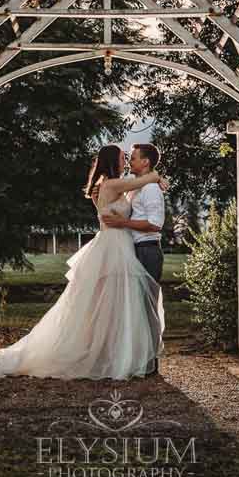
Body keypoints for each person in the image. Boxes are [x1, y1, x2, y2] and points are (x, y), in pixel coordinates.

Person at [0, 144, 168, 381]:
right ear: (114, 162)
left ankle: (118, 354)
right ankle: (113, 356)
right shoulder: (113, 186)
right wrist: (157, 177)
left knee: (116, 305)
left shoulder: (110, 187)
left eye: (130, 158)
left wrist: (154, 181)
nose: (127, 162)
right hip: (115, 247)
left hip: (121, 246)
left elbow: (141, 191)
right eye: (124, 159)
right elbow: (147, 178)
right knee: (114, 303)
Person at [100, 143, 166, 373]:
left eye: (134, 158)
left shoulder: (149, 189)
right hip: (134, 249)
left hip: (148, 250)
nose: (129, 162)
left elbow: (155, 223)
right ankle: (138, 358)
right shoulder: (135, 187)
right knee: (135, 307)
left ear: (146, 162)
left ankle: (150, 362)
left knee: (147, 307)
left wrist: (123, 223)